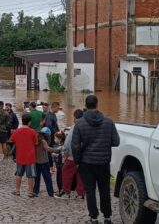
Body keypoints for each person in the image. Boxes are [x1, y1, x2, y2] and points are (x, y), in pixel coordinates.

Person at [71, 95, 120, 224]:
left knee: (90, 191)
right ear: (97, 104)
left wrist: (77, 162)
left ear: (86, 105)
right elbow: (116, 141)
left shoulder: (80, 123)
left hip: (86, 163)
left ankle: (93, 218)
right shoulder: (108, 122)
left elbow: (75, 145)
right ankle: (107, 217)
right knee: (104, 190)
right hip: (103, 162)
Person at [56, 109, 86, 200]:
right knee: (80, 174)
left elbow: (68, 142)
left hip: (73, 155)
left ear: (75, 118)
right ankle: (81, 194)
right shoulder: (87, 126)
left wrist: (64, 153)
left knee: (66, 171)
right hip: (84, 156)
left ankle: (66, 192)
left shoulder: (75, 127)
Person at [9, 114, 38, 197]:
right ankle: (30, 192)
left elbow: (11, 140)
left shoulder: (17, 131)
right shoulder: (33, 132)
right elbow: (36, 143)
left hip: (20, 156)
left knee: (18, 174)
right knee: (31, 176)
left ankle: (17, 191)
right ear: (29, 122)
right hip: (30, 157)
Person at [33, 127, 61, 198]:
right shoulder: (43, 141)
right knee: (47, 178)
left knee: (37, 178)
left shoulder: (36, 140)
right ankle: (50, 193)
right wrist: (57, 150)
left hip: (36, 162)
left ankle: (35, 191)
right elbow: (47, 149)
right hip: (44, 162)